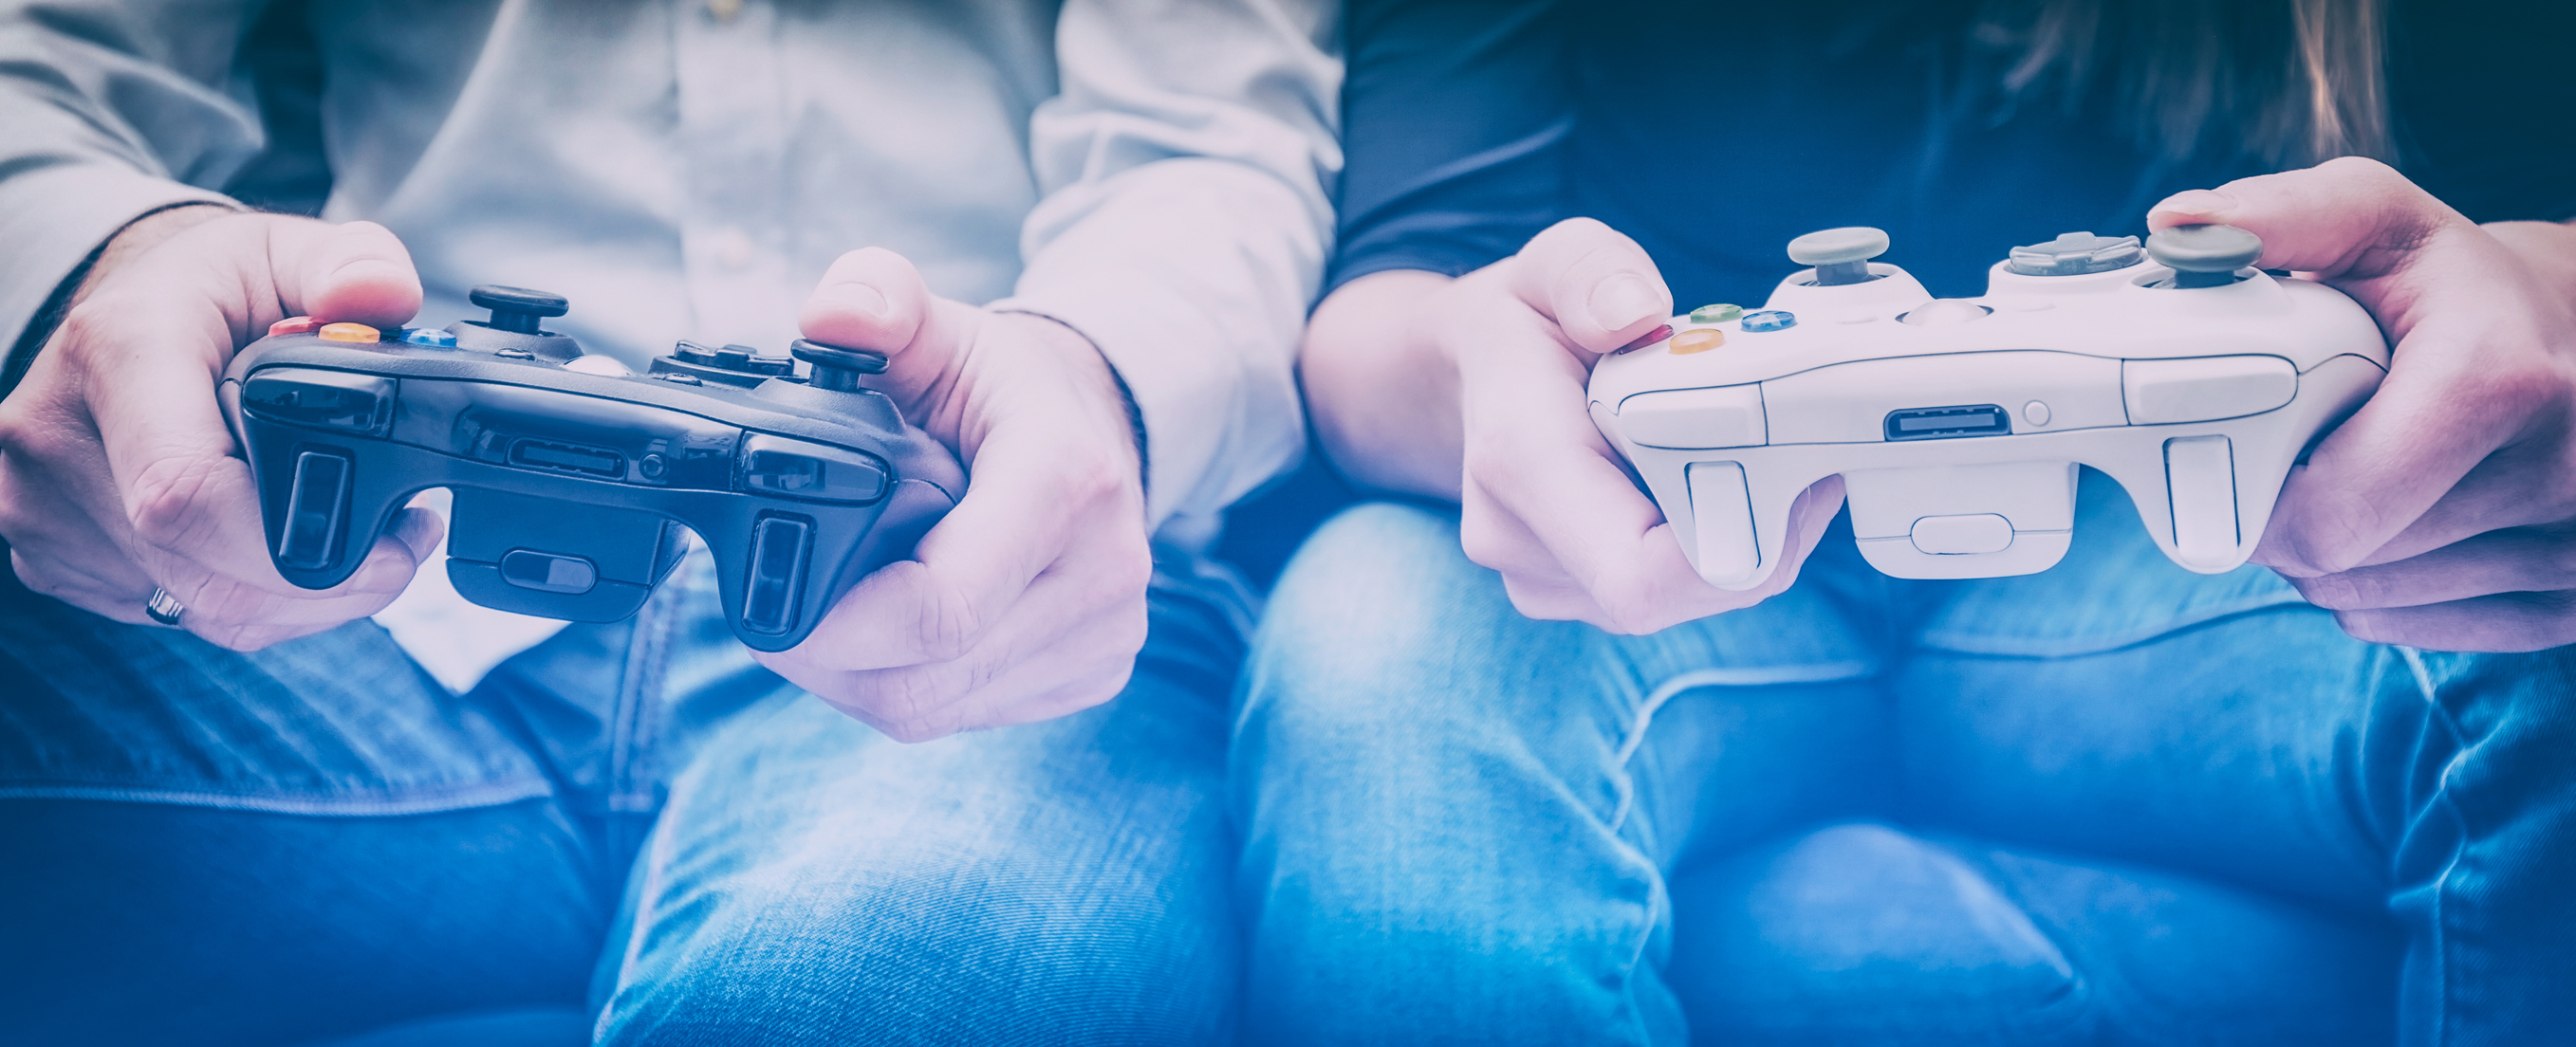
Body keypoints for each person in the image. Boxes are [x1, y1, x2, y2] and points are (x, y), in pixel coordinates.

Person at [1234, 0, 2576, 1042]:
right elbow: (1372, 314)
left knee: (2523, 617)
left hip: (2197, 541)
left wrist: (2529, 293)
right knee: (1376, 647)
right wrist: (1482, 358)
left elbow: (2532, 220)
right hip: (1673, 517)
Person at [0, 1, 1338, 1043]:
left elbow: (1208, 143)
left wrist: (1088, 375)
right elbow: (44, 64)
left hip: (938, 577)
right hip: (335, 613)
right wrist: (112, 262)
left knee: (861, 1002)